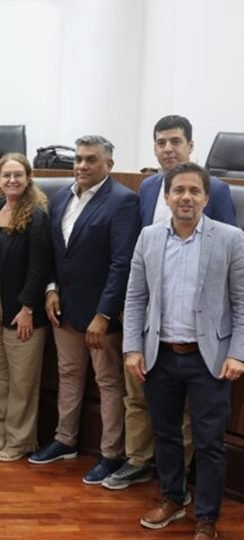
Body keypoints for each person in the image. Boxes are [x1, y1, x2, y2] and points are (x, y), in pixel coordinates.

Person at [104, 114, 237, 491]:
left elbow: (227, 257)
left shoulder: (217, 190)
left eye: (175, 141)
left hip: (199, 329)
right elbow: (141, 253)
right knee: (140, 396)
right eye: (161, 142)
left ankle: (182, 473)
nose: (167, 149)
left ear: (191, 146)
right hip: (153, 321)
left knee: (190, 415)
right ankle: (141, 462)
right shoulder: (149, 186)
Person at [123, 162, 244, 539]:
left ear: (206, 198)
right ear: (167, 196)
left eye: (194, 191)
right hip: (160, 356)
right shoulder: (148, 237)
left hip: (210, 360)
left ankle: (207, 517)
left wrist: (238, 352)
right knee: (166, 434)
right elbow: (135, 297)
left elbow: (242, 301)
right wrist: (132, 347)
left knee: (209, 443)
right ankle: (173, 499)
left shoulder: (231, 238)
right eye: (179, 190)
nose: (186, 197)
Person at [30, 136, 140, 486]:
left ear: (109, 164)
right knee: (68, 374)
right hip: (63, 309)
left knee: (108, 382)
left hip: (100, 317)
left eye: (91, 159)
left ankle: (111, 453)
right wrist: (50, 289)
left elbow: (122, 264)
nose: (82, 165)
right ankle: (65, 440)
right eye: (78, 159)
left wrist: (104, 315)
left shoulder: (123, 201)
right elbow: (53, 252)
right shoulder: (62, 197)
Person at [0, 153, 51, 462]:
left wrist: (28, 308)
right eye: (6, 175)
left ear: (28, 178)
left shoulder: (36, 215)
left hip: (22, 306)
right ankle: (0, 432)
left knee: (22, 379)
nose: (12, 180)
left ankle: (21, 440)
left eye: (18, 175)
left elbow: (39, 267)